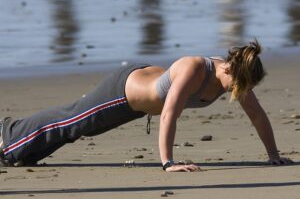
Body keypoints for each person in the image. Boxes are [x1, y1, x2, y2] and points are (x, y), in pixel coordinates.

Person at [0, 40, 293, 171]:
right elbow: (169, 115)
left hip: (137, 104)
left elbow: (256, 114)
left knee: (77, 130)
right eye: (241, 88)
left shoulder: (234, 75)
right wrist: (168, 163)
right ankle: (8, 138)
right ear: (230, 71)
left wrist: (273, 156)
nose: (241, 95)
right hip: (123, 91)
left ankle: (22, 154)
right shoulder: (195, 69)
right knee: (70, 122)